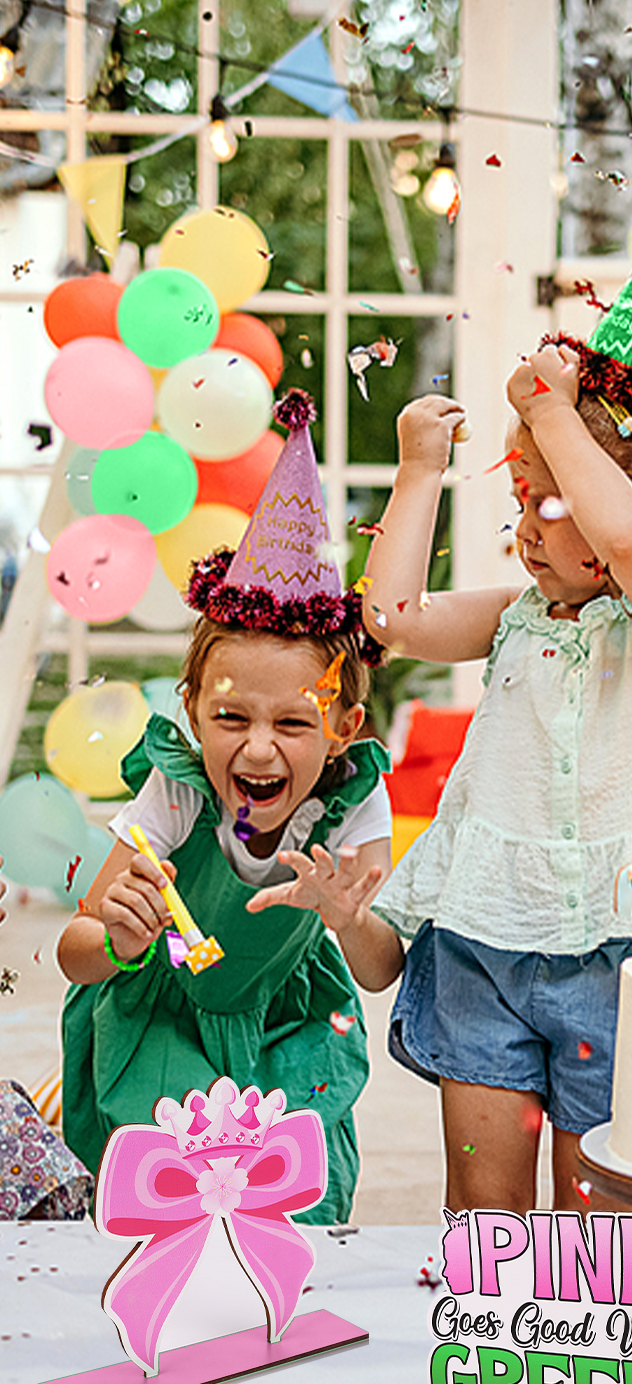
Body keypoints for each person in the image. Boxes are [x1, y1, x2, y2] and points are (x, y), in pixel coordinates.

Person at [368, 174, 632, 1217]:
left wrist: (550, 411)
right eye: (520, 499)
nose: (525, 529)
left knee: (603, 1238)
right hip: (484, 941)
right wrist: (417, 474)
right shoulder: (517, 615)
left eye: (548, 501)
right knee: (485, 1228)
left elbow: (629, 545)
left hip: (623, 950)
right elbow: (395, 618)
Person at [59, 392, 401, 1225]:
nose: (257, 750)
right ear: (192, 711)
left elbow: (379, 968)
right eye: (231, 719)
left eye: (294, 724)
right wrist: (120, 938)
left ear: (344, 727)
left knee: (292, 1199)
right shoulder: (178, 789)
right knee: (175, 1193)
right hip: (167, 1017)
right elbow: (75, 951)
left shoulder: (353, 802)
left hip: (287, 1020)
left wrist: (348, 916)